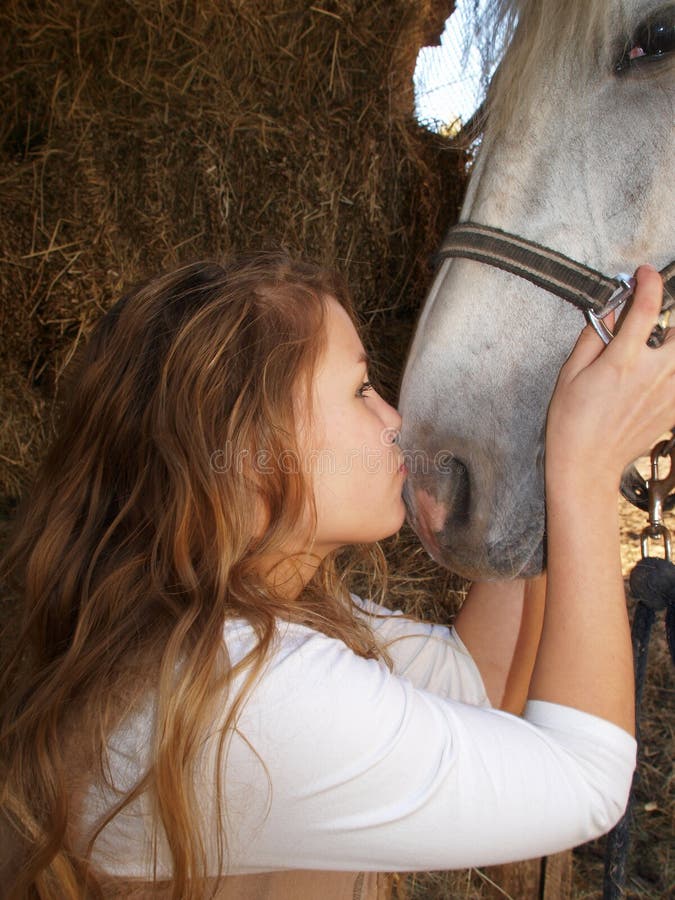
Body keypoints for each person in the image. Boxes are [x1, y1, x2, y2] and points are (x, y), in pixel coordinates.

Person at [0, 252, 672, 900]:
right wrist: (584, 471)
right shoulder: (246, 691)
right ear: (254, 449)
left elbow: (478, 682)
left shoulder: (232, 613)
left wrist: (543, 441)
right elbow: (584, 781)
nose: (393, 421)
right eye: (358, 390)